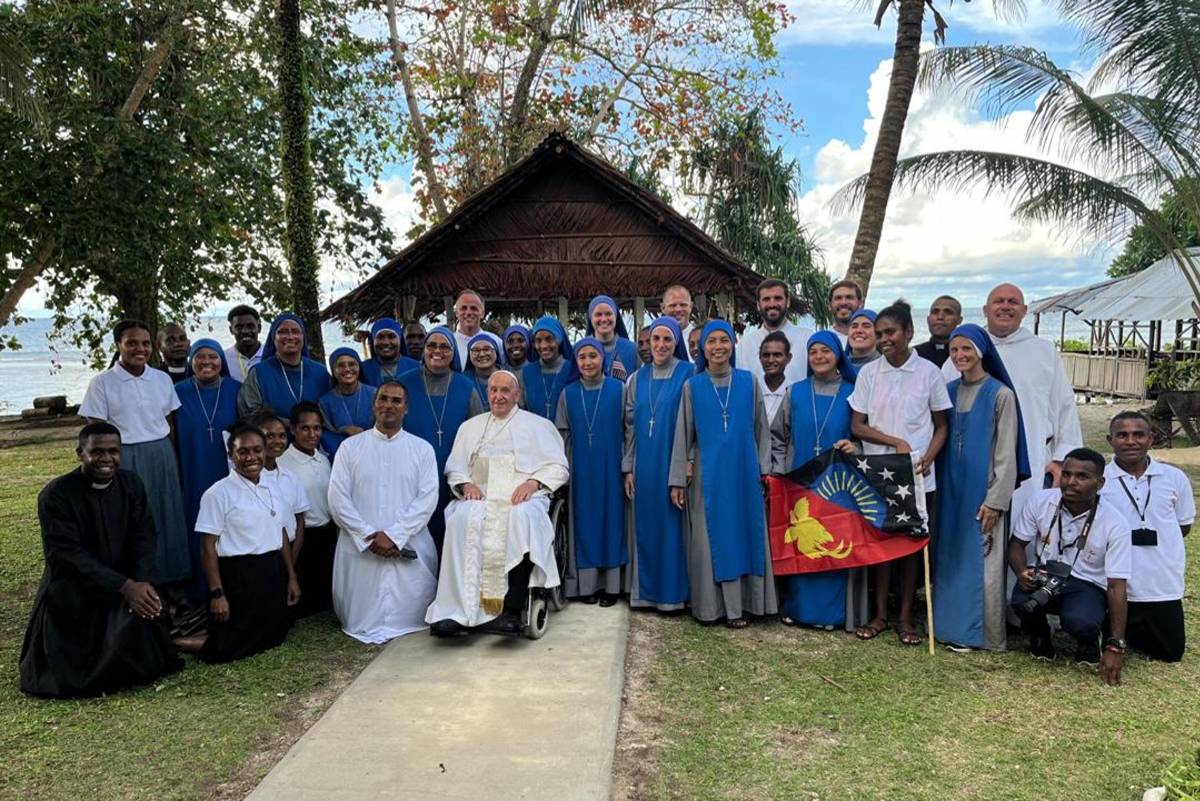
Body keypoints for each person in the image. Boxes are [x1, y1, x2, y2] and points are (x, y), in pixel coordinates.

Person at [18, 423, 181, 698]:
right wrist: (124, 586)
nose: (106, 458)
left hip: (126, 579)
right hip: (76, 586)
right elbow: (66, 555)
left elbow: (144, 536)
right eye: (97, 452)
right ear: (80, 453)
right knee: (73, 671)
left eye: (113, 451)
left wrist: (141, 583)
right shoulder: (56, 494)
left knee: (147, 627)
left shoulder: (131, 484)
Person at [427, 371, 569, 634]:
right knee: (461, 519)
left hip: (521, 494)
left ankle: (511, 608)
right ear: (487, 393)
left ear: (517, 394)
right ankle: (458, 611)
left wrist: (533, 483)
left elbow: (558, 467)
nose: (498, 396)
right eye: (493, 390)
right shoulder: (470, 427)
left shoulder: (538, 425)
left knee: (520, 518)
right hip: (480, 494)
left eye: (505, 390)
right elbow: (455, 467)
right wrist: (465, 485)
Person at [849, 300, 951, 646]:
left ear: (909, 332)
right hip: (879, 471)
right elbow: (858, 425)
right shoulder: (869, 373)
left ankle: (906, 618)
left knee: (911, 547)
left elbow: (941, 425)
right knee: (881, 543)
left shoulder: (929, 373)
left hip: (917, 475)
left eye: (890, 332)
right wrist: (893, 442)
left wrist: (929, 457)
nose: (883, 339)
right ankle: (880, 614)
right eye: (879, 334)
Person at [670, 320, 776, 627]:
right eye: (711, 341)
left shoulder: (749, 382)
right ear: (702, 349)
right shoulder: (692, 386)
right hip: (707, 476)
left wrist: (764, 470)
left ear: (733, 345)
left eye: (724, 340)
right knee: (709, 542)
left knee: (746, 534)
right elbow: (683, 434)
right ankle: (712, 608)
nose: (718, 346)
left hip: (744, 473)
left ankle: (749, 604)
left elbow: (761, 430)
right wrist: (678, 478)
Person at [942, 284, 1082, 515]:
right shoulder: (963, 351)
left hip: (1034, 455)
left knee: (1026, 524)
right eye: (999, 301)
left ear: (1024, 311)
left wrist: (1062, 458)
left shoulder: (1044, 351)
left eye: (1013, 302)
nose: (1005, 307)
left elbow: (1064, 405)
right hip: (974, 459)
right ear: (985, 310)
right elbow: (943, 408)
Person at [933, 324, 1029, 651]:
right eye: (954, 350)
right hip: (950, 489)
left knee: (982, 560)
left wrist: (996, 500)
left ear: (981, 351)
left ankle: (982, 634)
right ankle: (948, 626)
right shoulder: (947, 391)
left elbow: (1006, 453)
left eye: (966, 349)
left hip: (984, 492)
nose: (960, 355)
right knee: (951, 557)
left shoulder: (1001, 395)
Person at [80, 320, 190, 586]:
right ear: (119, 345)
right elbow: (96, 426)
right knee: (132, 518)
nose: (140, 349)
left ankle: (171, 581)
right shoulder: (102, 382)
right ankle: (136, 583)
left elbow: (169, 422)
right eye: (131, 343)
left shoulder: (161, 379)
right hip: (124, 456)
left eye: (145, 343)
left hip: (161, 453)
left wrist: (173, 458)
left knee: (167, 516)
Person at [328, 381, 440, 642]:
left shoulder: (422, 449)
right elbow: (337, 498)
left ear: (406, 408)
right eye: (383, 399)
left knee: (411, 609)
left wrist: (395, 536)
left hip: (408, 541)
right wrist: (368, 535)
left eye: (396, 400)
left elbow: (427, 499)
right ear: (374, 404)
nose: (389, 405)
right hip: (361, 546)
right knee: (361, 611)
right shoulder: (350, 448)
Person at [1010, 448, 1131, 685]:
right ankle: (1040, 635)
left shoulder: (1115, 522)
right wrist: (1021, 571)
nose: (1071, 482)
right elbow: (1016, 544)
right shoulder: (1041, 501)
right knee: (1022, 602)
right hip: (1046, 575)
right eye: (1066, 474)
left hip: (1086, 584)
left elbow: (1117, 586)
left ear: (1100, 483)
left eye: (1082, 477)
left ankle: (1089, 640)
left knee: (1081, 620)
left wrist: (1116, 644)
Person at [185, 424, 301, 662]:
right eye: (243, 451)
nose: (251, 457)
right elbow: (207, 547)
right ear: (231, 455)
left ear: (265, 451)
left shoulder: (272, 487)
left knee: (275, 634)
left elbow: (280, 533)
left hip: (272, 571)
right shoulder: (218, 494)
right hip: (239, 576)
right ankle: (174, 640)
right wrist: (217, 593)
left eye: (257, 450)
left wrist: (291, 577)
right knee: (226, 647)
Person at [769, 331, 861, 631]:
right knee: (802, 545)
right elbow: (777, 436)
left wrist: (855, 447)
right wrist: (781, 471)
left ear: (838, 355)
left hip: (838, 485)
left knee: (831, 543)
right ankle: (798, 609)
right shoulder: (795, 392)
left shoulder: (853, 393)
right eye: (813, 352)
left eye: (826, 351)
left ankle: (832, 614)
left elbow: (863, 435)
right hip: (799, 481)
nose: (819, 357)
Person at [1101, 412, 1193, 662]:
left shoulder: (1174, 478)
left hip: (1160, 584)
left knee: (1171, 653)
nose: (1130, 441)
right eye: (1122, 435)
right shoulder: (1101, 481)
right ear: (1110, 440)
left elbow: (1183, 526)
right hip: (1115, 583)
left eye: (1138, 435)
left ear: (1151, 439)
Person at [623, 317, 694, 611]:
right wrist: (628, 467)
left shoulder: (689, 372)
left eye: (667, 339)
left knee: (674, 529)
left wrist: (689, 460)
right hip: (645, 465)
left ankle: (674, 596)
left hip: (673, 458)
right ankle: (645, 593)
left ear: (676, 342)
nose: (661, 345)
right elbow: (630, 427)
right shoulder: (636, 379)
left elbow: (695, 424)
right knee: (647, 528)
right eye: (656, 339)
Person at [398, 326, 482, 553]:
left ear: (453, 353)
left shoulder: (466, 387)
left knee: (452, 539)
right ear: (424, 350)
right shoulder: (404, 383)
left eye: (445, 346)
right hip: (411, 472)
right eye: (432, 345)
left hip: (454, 475)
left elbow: (479, 436)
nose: (438, 351)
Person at [557, 338, 627, 604]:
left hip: (612, 466)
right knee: (584, 525)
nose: (588, 362)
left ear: (602, 359)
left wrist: (627, 466)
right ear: (576, 361)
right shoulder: (568, 394)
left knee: (612, 524)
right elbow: (563, 436)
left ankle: (611, 587)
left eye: (593, 356)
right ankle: (586, 587)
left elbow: (629, 430)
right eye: (582, 357)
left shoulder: (619, 389)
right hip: (581, 470)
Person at [175, 339, 241, 602]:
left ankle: (232, 585)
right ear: (191, 361)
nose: (206, 362)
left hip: (227, 469)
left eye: (212, 356)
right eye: (199, 357)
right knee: (198, 523)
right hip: (193, 468)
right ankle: (203, 588)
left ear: (221, 361)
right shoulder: (177, 392)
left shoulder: (235, 389)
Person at [278, 401, 337, 617]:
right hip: (303, 536)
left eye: (317, 428)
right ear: (293, 429)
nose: (312, 434)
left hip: (327, 532)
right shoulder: (283, 463)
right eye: (305, 428)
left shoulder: (323, 460)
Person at [237, 313, 331, 420]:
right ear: (273, 337)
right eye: (283, 332)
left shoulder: (320, 372)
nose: (290, 337)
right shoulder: (258, 373)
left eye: (295, 331)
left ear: (303, 337)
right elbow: (249, 414)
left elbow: (332, 409)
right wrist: (289, 425)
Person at [736, 278, 813, 385]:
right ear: (758, 305)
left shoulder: (807, 338)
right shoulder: (745, 345)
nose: (772, 304)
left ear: (788, 302)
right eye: (766, 299)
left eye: (778, 298)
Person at [253, 411, 311, 551]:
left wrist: (292, 558)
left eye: (282, 436)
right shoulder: (251, 479)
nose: (277, 441)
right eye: (269, 436)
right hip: (261, 551)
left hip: (292, 548)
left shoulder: (290, 477)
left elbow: (299, 519)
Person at [319, 347, 376, 457]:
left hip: (373, 453)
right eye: (340, 365)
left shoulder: (375, 394)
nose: (347, 369)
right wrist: (343, 430)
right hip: (341, 456)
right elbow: (326, 435)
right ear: (333, 370)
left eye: (352, 364)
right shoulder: (324, 402)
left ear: (359, 367)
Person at [519, 316, 578, 421]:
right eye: (538, 340)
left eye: (549, 339)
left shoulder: (573, 370)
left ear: (559, 340)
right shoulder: (526, 372)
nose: (544, 346)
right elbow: (522, 410)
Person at [585, 295, 639, 381]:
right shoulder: (580, 351)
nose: (603, 319)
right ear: (590, 318)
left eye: (608, 314)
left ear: (616, 316)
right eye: (598, 314)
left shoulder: (633, 350)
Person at [360, 318, 420, 386]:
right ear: (373, 341)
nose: (386, 342)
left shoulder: (417, 368)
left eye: (391, 337)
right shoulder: (362, 370)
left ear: (400, 339)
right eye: (380, 337)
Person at [915, 295, 962, 368]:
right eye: (935, 312)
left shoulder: (966, 356)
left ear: (959, 320)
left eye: (948, 312)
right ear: (928, 319)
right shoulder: (914, 355)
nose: (940, 317)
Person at [452, 289, 502, 357]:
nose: (468, 312)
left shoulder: (496, 342)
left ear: (482, 313)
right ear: (456, 313)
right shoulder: (448, 343)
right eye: (464, 308)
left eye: (473, 308)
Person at [758, 332, 792, 425]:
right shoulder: (752, 390)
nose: (771, 360)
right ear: (760, 357)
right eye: (766, 355)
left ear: (788, 358)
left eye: (777, 355)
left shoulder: (794, 392)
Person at [465, 333, 505, 412]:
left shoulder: (509, 376)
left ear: (496, 352)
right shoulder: (463, 380)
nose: (482, 354)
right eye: (476, 350)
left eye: (487, 349)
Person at [225, 305, 264, 382]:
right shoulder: (224, 359)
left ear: (259, 328)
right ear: (231, 330)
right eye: (239, 327)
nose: (245, 331)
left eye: (250, 326)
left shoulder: (270, 355)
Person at [827, 280, 864, 347]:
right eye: (838, 298)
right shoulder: (823, 340)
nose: (843, 303)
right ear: (829, 305)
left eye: (849, 297)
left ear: (860, 303)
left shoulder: (872, 338)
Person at [662, 285, 695, 354]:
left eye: (683, 305)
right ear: (663, 308)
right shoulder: (655, 340)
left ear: (691, 307)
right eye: (673, 305)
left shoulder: (700, 338)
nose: (678, 309)